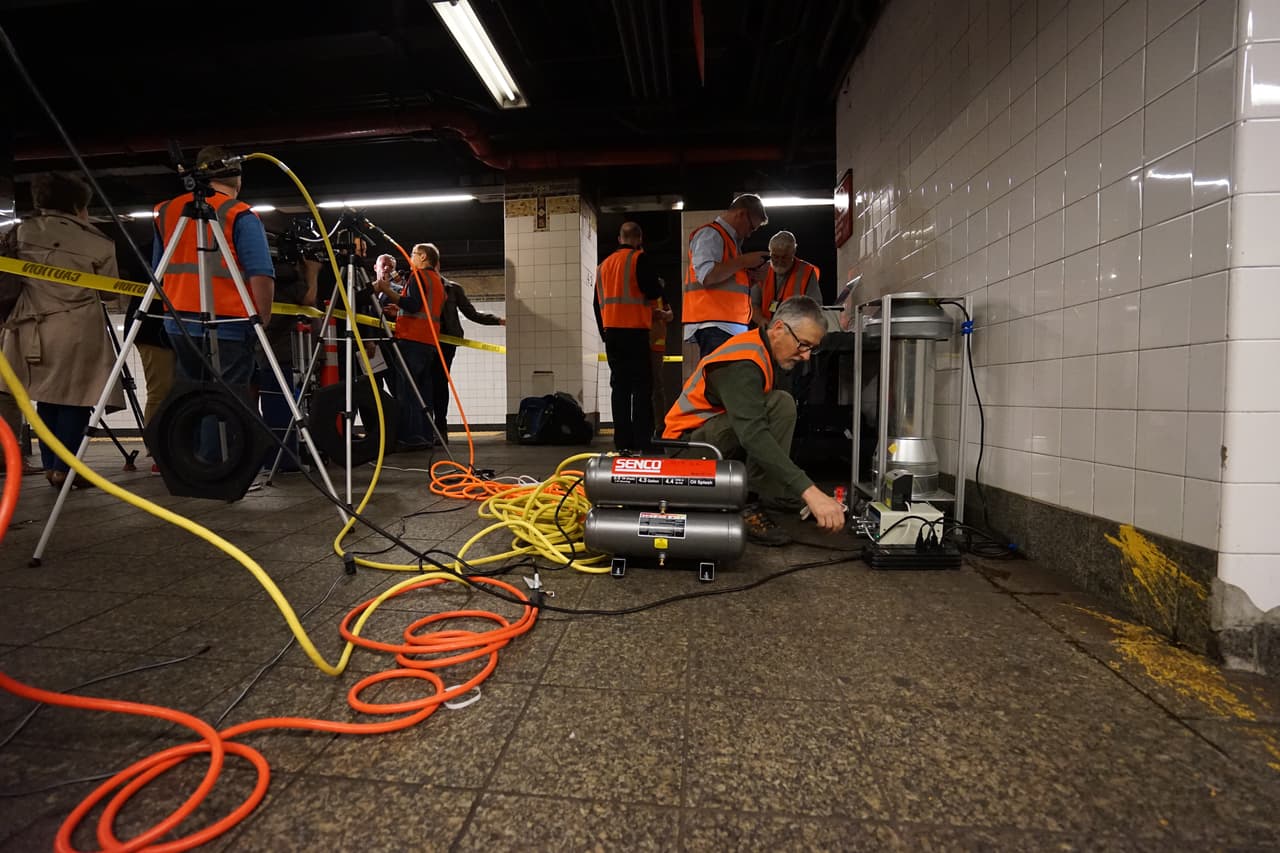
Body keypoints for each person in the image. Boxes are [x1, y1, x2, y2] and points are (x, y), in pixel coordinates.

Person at [663, 296, 846, 545]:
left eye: (811, 349)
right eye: (803, 345)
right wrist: (809, 491)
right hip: (687, 452)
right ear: (779, 328)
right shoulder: (743, 361)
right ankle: (747, 501)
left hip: (711, 439)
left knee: (781, 404)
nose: (806, 356)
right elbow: (753, 434)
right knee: (777, 406)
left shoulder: (762, 352)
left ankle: (771, 494)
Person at [0, 171, 124, 488]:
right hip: (77, 328)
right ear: (77, 203)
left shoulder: (18, 233)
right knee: (77, 398)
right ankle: (67, 468)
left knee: (46, 397)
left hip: (28, 328)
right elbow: (110, 293)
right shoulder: (96, 240)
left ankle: (50, 465)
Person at [153, 145, 274, 463]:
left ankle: (191, 466)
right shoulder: (240, 214)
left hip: (178, 321)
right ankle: (219, 466)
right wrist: (261, 318)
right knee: (227, 397)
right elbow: (260, 272)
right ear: (236, 175)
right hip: (230, 322)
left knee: (193, 392)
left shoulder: (167, 212)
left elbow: (158, 269)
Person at [595, 221, 664, 453]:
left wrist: (604, 332)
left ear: (619, 238)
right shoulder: (638, 259)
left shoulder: (602, 266)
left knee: (620, 388)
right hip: (635, 332)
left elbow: (597, 304)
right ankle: (643, 441)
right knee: (641, 389)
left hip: (612, 334)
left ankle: (622, 443)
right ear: (640, 239)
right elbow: (653, 290)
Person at [681, 194, 769, 371]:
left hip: (724, 325)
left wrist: (751, 277)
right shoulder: (711, 234)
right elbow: (707, 276)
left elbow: (725, 281)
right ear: (741, 214)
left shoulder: (730, 242)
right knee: (721, 385)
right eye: (751, 227)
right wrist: (744, 261)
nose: (750, 234)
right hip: (715, 324)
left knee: (725, 384)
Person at [373, 242, 445, 450]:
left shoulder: (419, 276)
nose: (411, 258)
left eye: (414, 254)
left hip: (412, 340)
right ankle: (424, 435)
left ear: (423, 257)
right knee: (423, 391)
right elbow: (423, 307)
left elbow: (412, 304)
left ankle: (409, 438)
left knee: (407, 391)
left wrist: (387, 290)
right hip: (429, 341)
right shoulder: (436, 280)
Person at [430, 264, 505, 444]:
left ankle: (440, 429)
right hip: (424, 341)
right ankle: (427, 429)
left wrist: (498, 320)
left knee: (439, 383)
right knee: (426, 384)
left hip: (447, 342)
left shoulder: (453, 289)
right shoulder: (416, 286)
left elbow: (471, 313)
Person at [754, 231, 821, 323]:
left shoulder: (807, 272)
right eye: (775, 256)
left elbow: (815, 307)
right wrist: (762, 321)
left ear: (793, 252)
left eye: (784, 257)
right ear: (770, 252)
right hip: (767, 330)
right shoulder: (763, 270)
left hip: (796, 330)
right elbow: (753, 304)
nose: (780, 261)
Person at [648, 291, 674, 435]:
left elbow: (670, 315)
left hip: (656, 345)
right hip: (640, 342)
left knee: (657, 386)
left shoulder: (660, 293)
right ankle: (648, 426)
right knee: (644, 386)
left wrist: (664, 315)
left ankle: (660, 427)